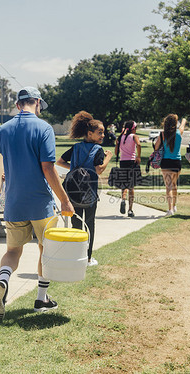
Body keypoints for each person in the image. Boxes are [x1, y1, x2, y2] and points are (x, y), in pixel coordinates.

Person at [0, 86, 74, 319]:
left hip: (14, 203)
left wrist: (2, 182)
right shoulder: (44, 128)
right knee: (46, 249)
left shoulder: (3, 130)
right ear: (37, 103)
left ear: (18, 104)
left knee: (12, 251)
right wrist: (65, 200)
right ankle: (41, 299)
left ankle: (3, 280)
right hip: (41, 203)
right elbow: (48, 167)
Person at [57, 111, 113, 267]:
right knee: (89, 224)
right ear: (90, 133)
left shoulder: (75, 148)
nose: (103, 135)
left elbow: (60, 161)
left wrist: (74, 169)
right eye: (100, 132)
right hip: (89, 194)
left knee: (76, 224)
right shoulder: (98, 150)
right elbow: (99, 169)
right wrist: (108, 157)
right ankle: (87, 258)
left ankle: (75, 255)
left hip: (73, 193)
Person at [154, 114, 186, 215]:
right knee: (174, 185)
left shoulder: (162, 134)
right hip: (176, 162)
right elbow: (183, 125)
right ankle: (174, 205)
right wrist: (183, 120)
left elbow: (156, 147)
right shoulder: (179, 132)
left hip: (166, 162)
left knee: (168, 186)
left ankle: (170, 209)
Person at [114, 120, 142, 217]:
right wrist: (138, 156)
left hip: (122, 162)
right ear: (133, 128)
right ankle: (130, 210)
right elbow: (139, 145)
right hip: (131, 162)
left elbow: (116, 152)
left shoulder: (120, 137)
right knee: (131, 186)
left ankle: (123, 199)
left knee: (124, 184)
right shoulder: (134, 136)